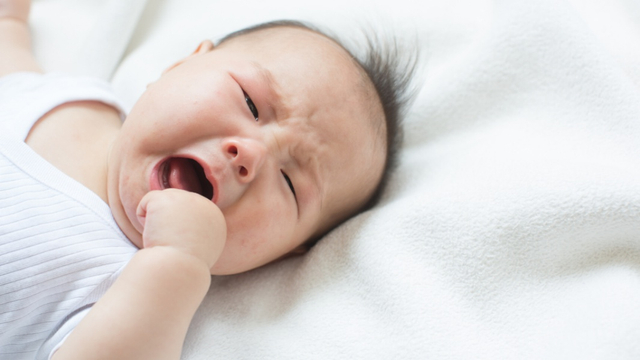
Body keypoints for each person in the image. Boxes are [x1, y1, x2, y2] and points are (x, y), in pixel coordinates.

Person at [0, 0, 414, 358]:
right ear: (181, 64)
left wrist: (176, 265)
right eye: (251, 103)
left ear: (283, 255)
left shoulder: (128, 296)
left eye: (290, 182)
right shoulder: (73, 99)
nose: (249, 153)